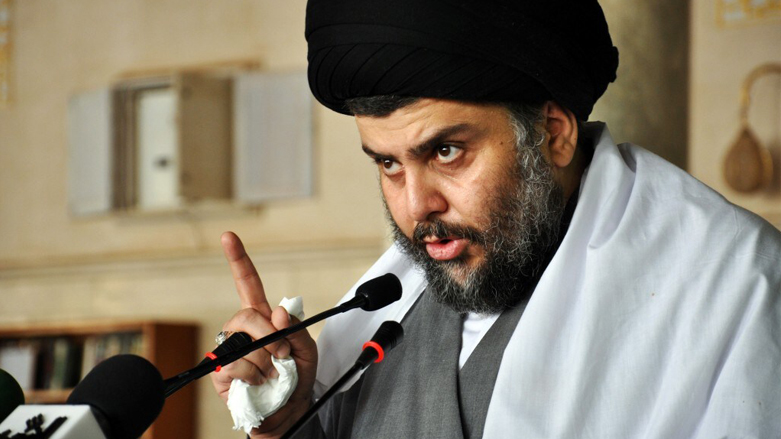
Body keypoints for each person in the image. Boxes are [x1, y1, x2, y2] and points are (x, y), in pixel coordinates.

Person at [211, 0, 781, 438]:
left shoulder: (732, 287)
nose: (417, 207)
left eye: (445, 152)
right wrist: (290, 423)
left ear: (552, 133)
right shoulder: (373, 314)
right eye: (388, 163)